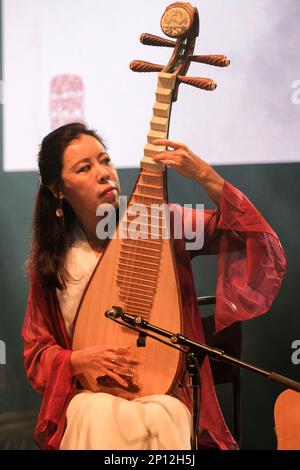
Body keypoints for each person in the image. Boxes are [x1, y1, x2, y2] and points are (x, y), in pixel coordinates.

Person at [22, 122, 286, 450]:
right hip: (89, 392)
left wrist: (205, 176)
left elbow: (246, 233)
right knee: (94, 411)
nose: (103, 173)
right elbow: (37, 354)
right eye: (85, 168)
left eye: (105, 160)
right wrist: (78, 361)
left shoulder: (159, 224)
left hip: (167, 392)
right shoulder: (52, 266)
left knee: (163, 415)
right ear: (57, 189)